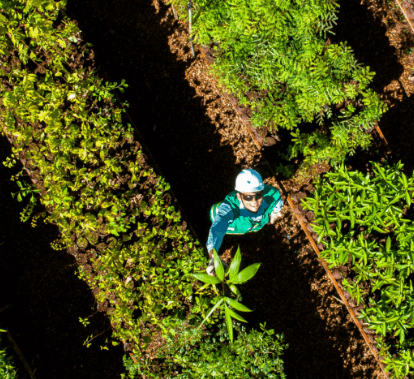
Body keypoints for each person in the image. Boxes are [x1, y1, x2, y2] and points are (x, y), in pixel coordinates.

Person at [206, 168, 284, 276]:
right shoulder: (230, 208)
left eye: (258, 195)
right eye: (248, 197)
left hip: (247, 226)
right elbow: (218, 228)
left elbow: (277, 200)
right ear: (239, 196)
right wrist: (213, 255)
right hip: (229, 226)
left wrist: (275, 212)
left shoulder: (271, 194)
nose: (254, 202)